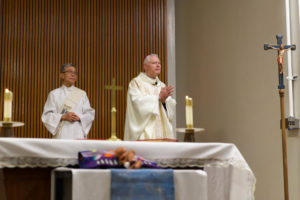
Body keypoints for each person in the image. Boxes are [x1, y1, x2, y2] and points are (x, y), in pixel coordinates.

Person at [124, 54, 176, 141]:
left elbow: (169, 108)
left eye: (159, 63)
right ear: (145, 66)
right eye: (154, 63)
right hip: (145, 132)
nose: (158, 65)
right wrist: (157, 98)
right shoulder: (136, 83)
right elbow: (137, 103)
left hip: (162, 133)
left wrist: (164, 102)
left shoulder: (161, 85)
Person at [41, 63, 95, 139]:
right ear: (61, 75)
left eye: (75, 73)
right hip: (62, 134)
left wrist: (79, 117)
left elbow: (89, 114)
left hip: (78, 134)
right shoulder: (54, 94)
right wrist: (63, 116)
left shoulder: (82, 94)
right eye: (70, 72)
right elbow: (46, 116)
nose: (73, 75)